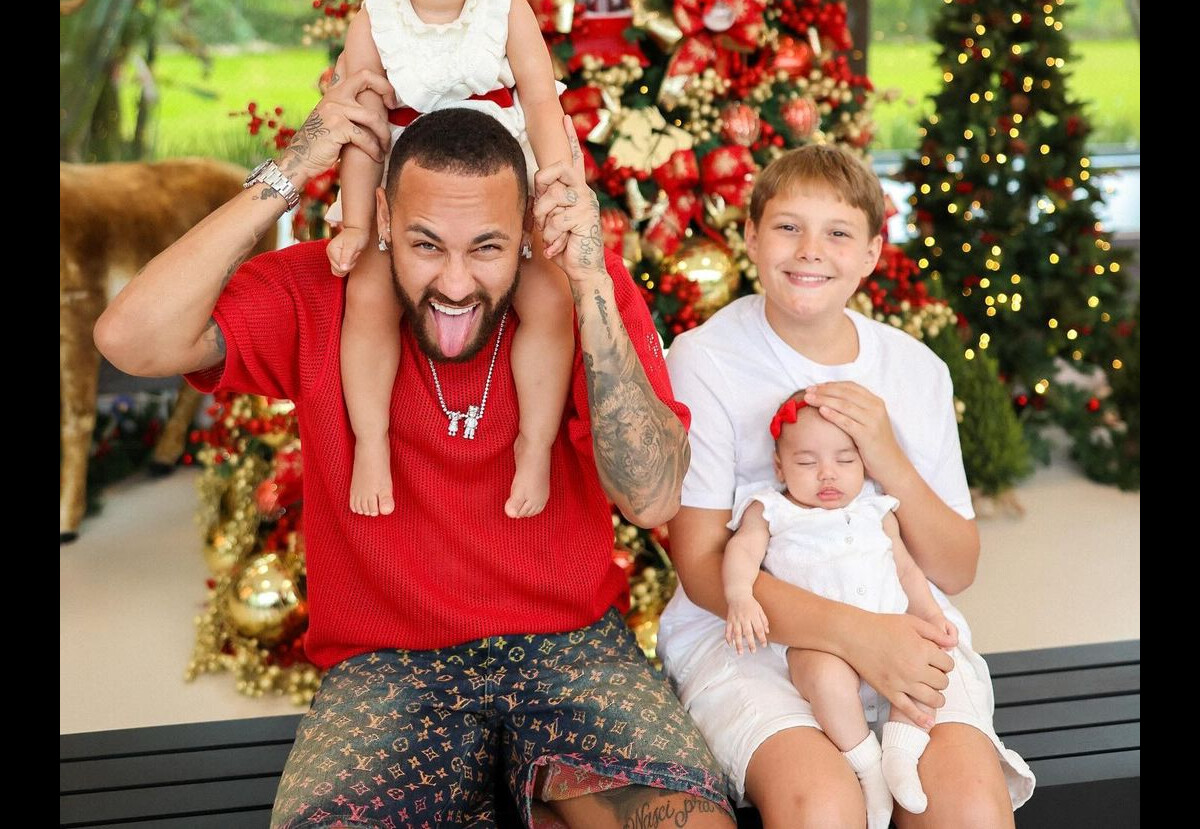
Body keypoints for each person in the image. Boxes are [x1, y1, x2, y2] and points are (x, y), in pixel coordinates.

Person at [94, 96, 735, 828]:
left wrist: (588, 283)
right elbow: (130, 338)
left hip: (572, 648)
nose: (456, 284)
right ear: (387, 221)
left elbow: (652, 497)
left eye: (487, 248)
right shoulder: (319, 286)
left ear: (525, 230)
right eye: (426, 244)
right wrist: (291, 172)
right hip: (386, 665)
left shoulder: (583, 287)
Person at [656, 144, 1036, 828]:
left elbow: (956, 566)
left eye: (837, 232)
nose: (810, 250)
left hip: (900, 616)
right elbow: (702, 565)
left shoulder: (914, 368)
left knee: (969, 807)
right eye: (786, 226)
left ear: (871, 252)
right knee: (823, 806)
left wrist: (886, 453)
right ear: (749, 235)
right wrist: (858, 636)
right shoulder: (705, 359)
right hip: (751, 637)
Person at [328, 0, 575, 520]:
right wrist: (354, 223)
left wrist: (556, 181)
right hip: (413, 198)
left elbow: (539, 96)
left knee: (550, 302)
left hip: (505, 187)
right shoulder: (375, 21)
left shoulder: (504, 6)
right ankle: (372, 441)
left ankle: (535, 440)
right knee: (369, 298)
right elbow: (361, 131)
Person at [723, 393, 1033, 829]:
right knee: (826, 681)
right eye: (807, 462)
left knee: (925, 669)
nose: (827, 474)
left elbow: (906, 569)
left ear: (863, 464)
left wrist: (929, 614)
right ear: (779, 467)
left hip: (894, 628)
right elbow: (741, 551)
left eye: (844, 461)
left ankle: (900, 755)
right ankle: (867, 764)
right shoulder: (771, 509)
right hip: (820, 641)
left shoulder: (875, 507)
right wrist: (740, 595)